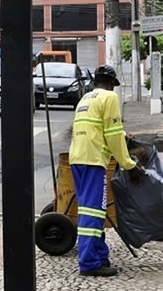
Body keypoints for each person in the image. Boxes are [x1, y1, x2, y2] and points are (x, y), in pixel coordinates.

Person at [69, 64, 145, 277]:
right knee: (94, 211)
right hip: (93, 161)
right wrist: (129, 164)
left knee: (90, 209)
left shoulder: (85, 99)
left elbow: (98, 129)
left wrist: (122, 135)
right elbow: (112, 134)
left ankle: (100, 254)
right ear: (111, 84)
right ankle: (89, 263)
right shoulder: (109, 98)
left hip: (77, 159)